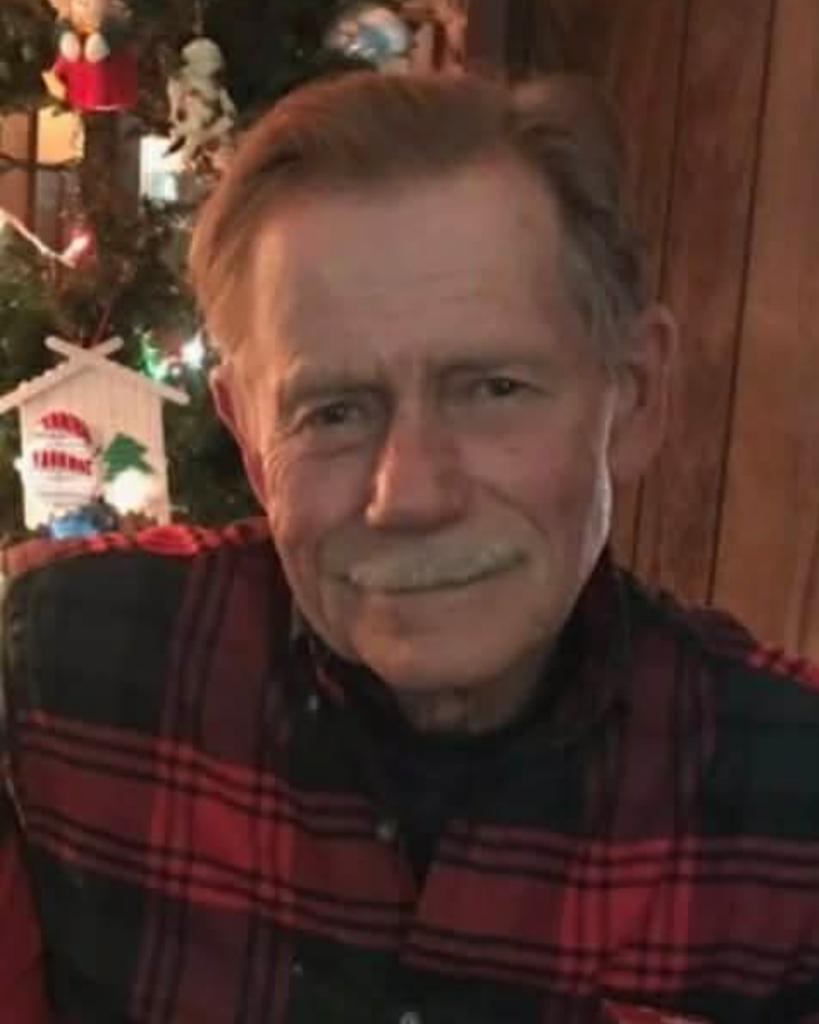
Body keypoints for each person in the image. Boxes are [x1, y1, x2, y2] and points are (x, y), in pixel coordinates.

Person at [1, 70, 818, 1024]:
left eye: (494, 390)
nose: (410, 495)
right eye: (333, 412)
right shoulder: (66, 671)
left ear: (632, 397)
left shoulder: (791, 797)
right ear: (249, 442)